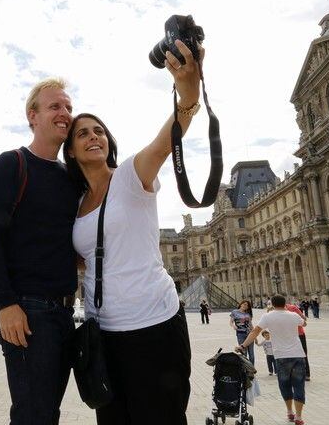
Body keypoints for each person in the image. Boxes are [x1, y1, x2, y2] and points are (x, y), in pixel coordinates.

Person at [63, 38, 203, 424]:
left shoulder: (130, 175)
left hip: (152, 324)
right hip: (101, 333)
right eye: (83, 134)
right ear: (71, 152)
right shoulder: (74, 205)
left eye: (99, 131)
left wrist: (188, 88)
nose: (93, 136)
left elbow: (168, 138)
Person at [0, 77, 80, 424]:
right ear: (32, 116)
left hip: (65, 313)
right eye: (55, 106)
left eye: (68, 107)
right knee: (32, 415)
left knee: (47, 413)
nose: (65, 113)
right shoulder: (10, 165)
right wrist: (5, 302)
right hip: (27, 311)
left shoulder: (71, 178)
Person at [237, 294, 307, 425]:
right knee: (299, 385)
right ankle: (299, 417)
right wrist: (298, 313)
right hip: (298, 354)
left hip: (281, 356)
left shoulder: (268, 316)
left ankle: (289, 412)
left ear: (272, 304)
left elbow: (255, 332)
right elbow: (304, 322)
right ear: (285, 303)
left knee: (284, 385)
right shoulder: (293, 315)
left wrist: (243, 345)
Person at [285, 302, 310, 381]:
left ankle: (297, 374)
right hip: (299, 334)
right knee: (303, 354)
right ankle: (306, 374)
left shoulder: (276, 311)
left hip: (290, 335)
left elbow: (304, 319)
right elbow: (304, 319)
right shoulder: (292, 308)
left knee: (291, 355)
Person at [230, 300, 255, 364]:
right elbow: (231, 322)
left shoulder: (248, 314)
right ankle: (245, 369)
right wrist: (233, 326)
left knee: (251, 353)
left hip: (249, 334)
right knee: (244, 353)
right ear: (241, 304)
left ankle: (251, 369)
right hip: (240, 334)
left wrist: (255, 336)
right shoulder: (234, 312)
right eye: (244, 304)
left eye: (247, 305)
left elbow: (251, 325)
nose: (245, 306)